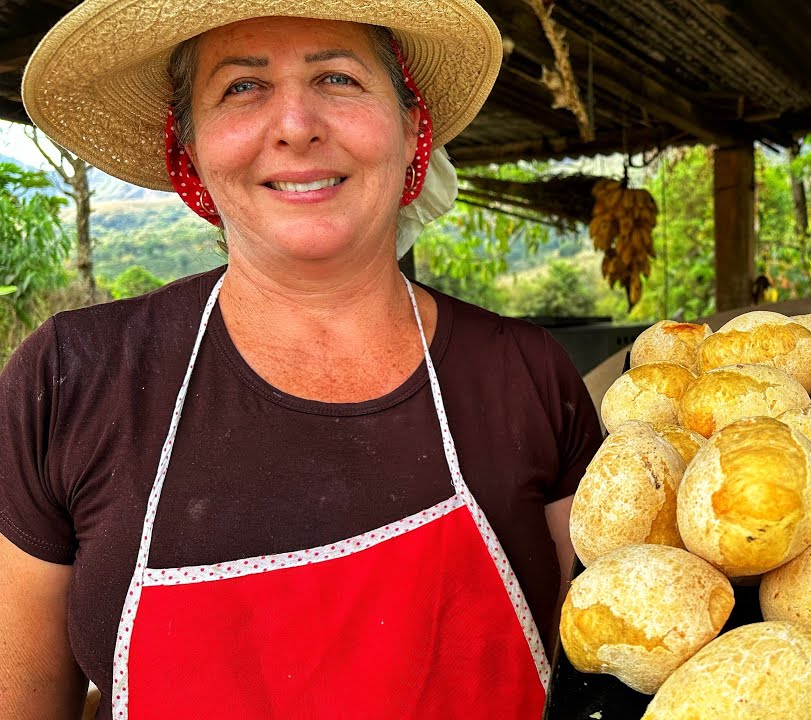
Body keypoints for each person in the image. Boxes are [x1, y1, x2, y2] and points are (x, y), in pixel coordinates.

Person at [1, 0, 603, 717]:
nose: (295, 125)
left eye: (338, 78)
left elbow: (607, 670)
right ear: (187, 149)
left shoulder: (528, 376)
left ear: (413, 127)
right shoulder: (71, 379)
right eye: (242, 86)